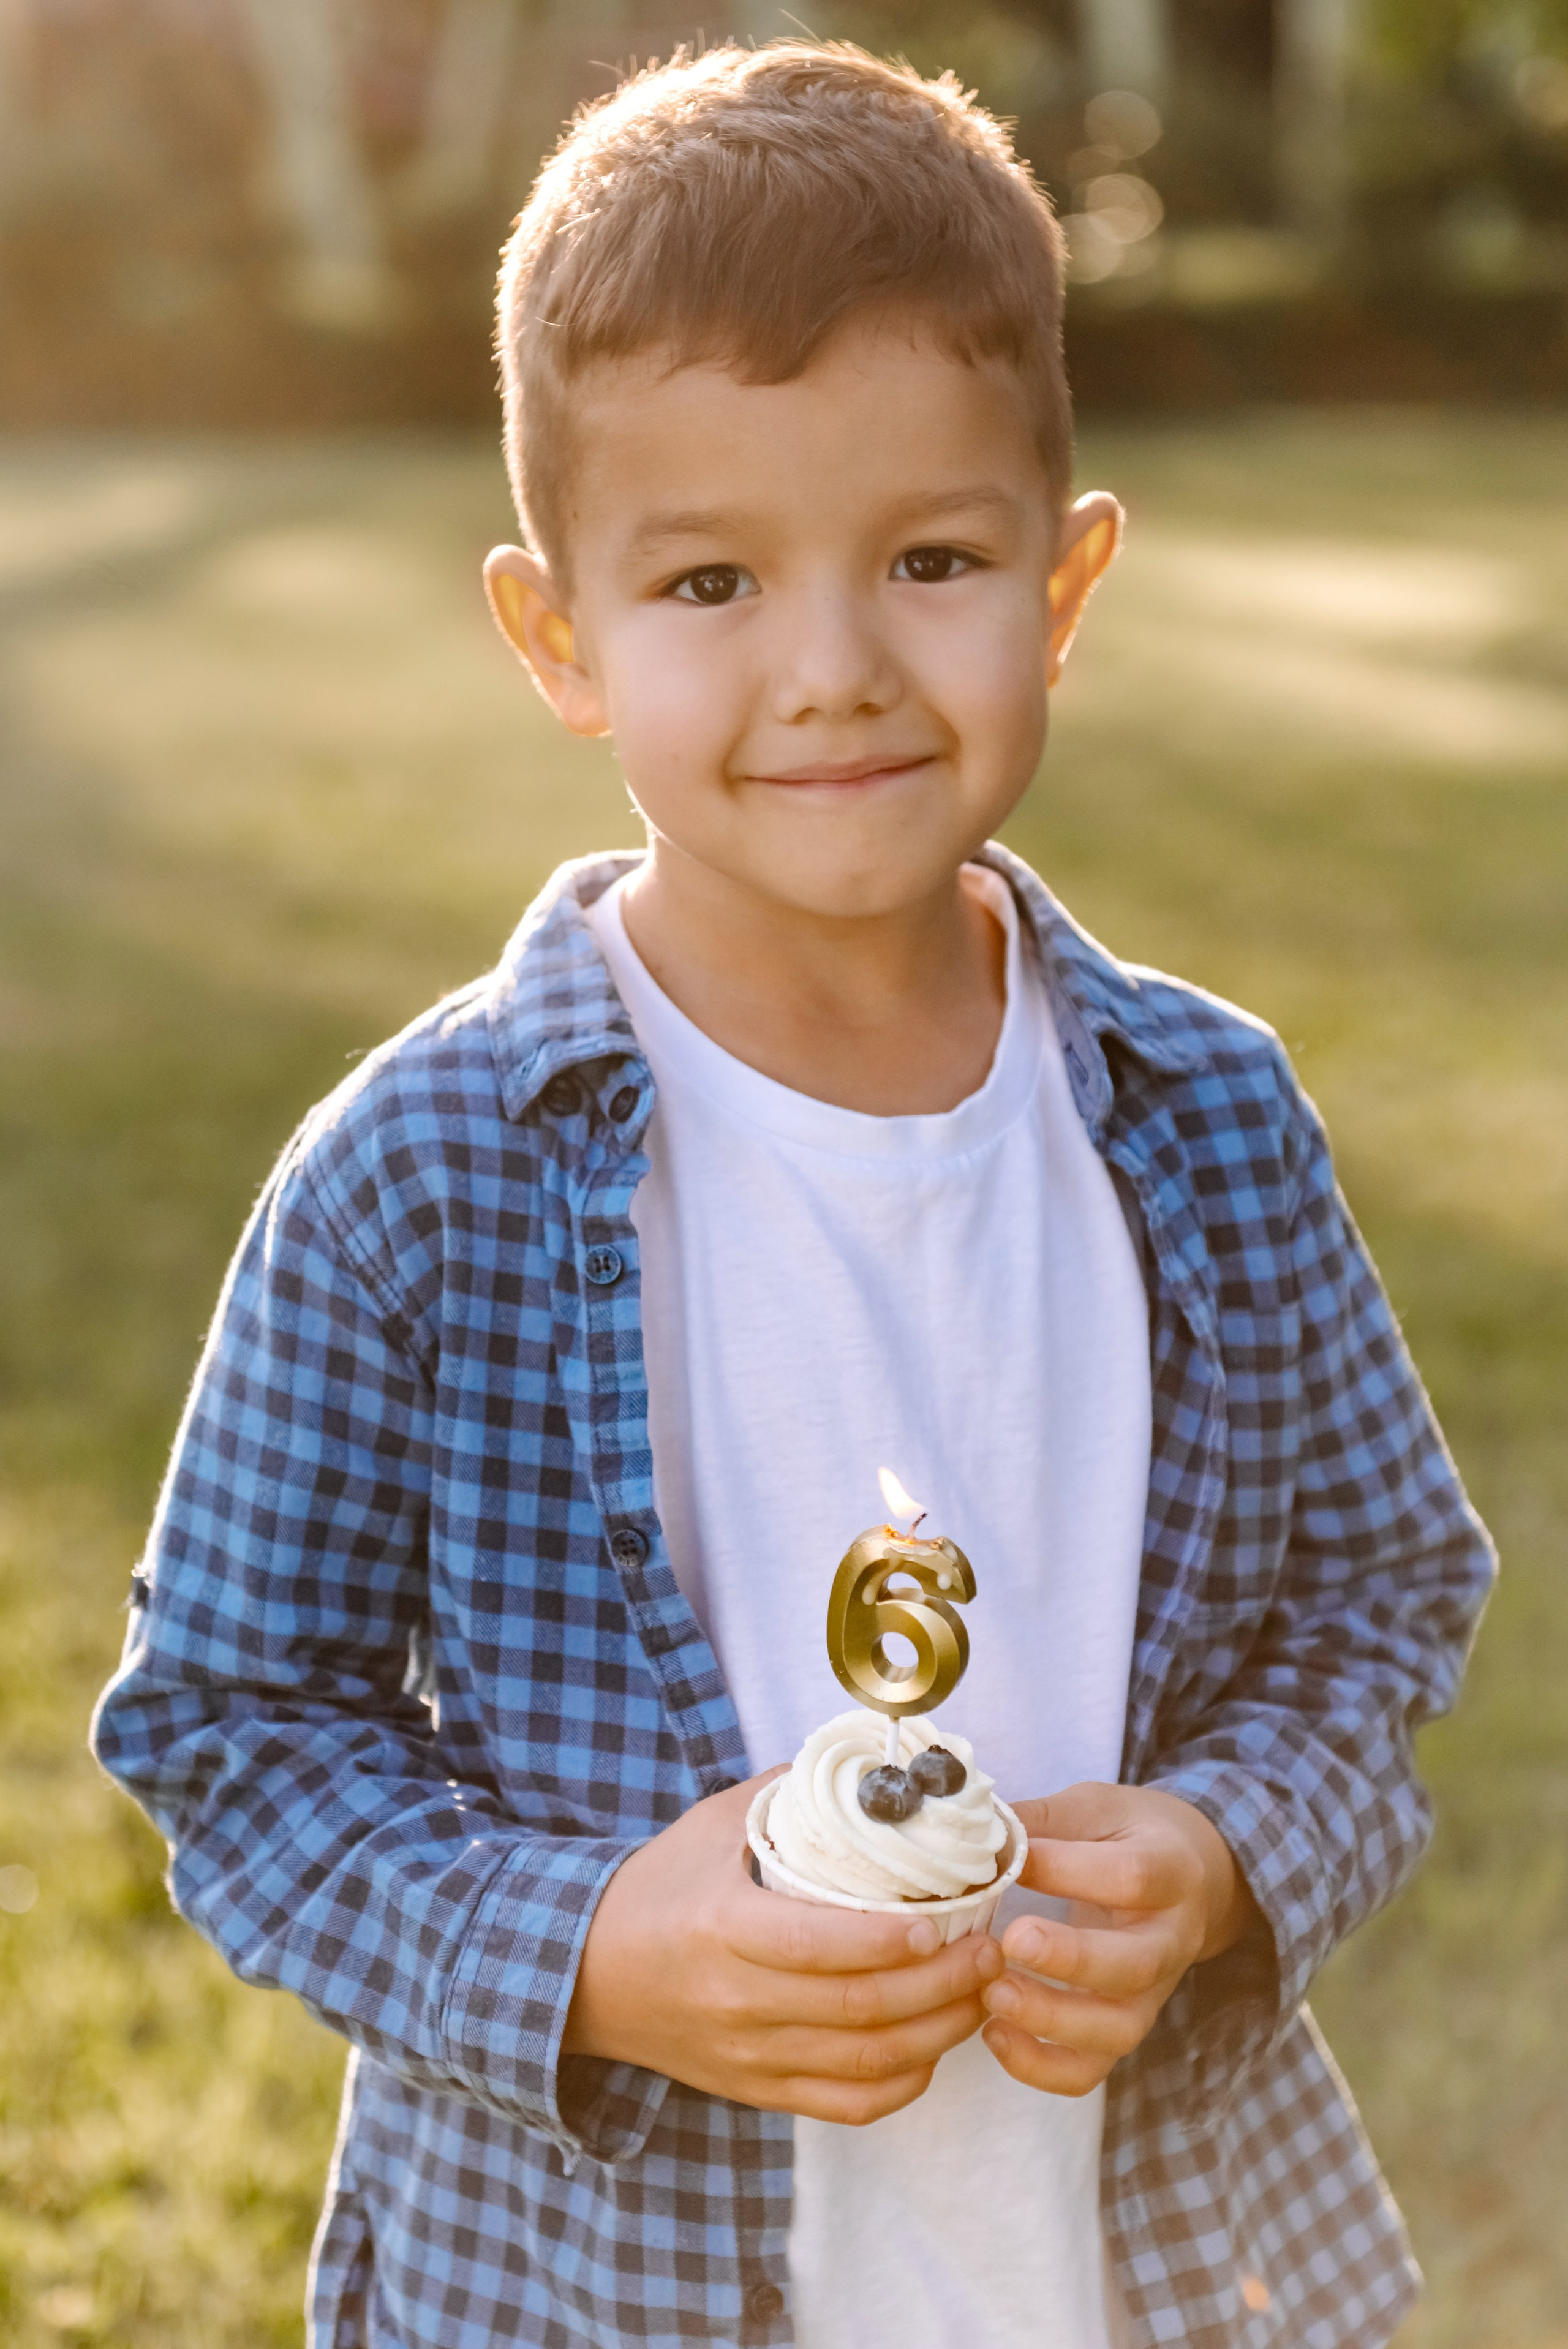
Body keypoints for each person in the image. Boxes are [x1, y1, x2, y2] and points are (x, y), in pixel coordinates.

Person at [92, 40, 1495, 2349]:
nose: (832, 668)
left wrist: (1236, 1847)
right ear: (561, 638)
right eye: (712, 579)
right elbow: (237, 1727)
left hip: (1143, 2268)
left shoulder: (1211, 1122)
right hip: (593, 2291)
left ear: (1065, 582)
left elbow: (1377, 1600)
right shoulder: (417, 1179)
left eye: (932, 560)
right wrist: (591, 1951)